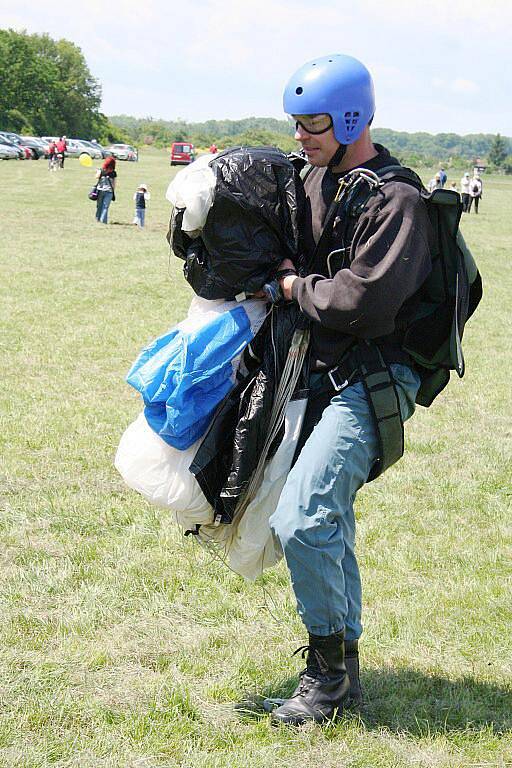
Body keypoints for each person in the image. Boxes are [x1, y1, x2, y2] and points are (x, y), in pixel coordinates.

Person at [265, 53, 433, 726]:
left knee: (303, 520)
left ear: (352, 117)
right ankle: (344, 674)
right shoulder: (311, 181)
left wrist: (288, 286)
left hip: (372, 378)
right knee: (324, 521)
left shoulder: (399, 199)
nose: (301, 135)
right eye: (297, 124)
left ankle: (329, 681)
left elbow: (359, 302)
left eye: (313, 123)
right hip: (319, 371)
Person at [95, 157, 117, 224]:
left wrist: (97, 171)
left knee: (99, 205)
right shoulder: (113, 173)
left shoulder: (101, 170)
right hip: (109, 191)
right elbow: (114, 184)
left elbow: (96, 177)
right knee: (105, 207)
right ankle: (103, 221)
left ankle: (98, 219)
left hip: (100, 190)